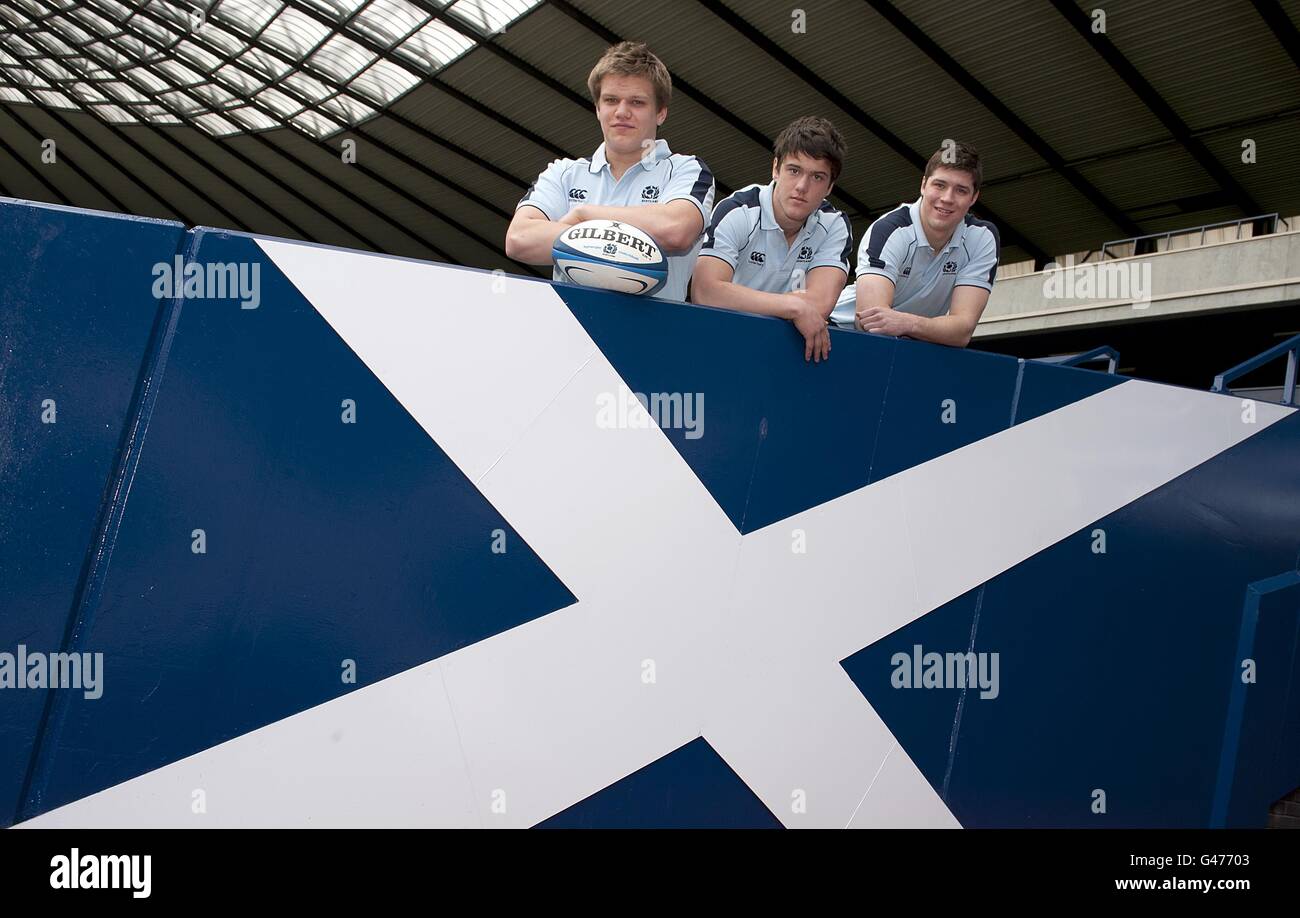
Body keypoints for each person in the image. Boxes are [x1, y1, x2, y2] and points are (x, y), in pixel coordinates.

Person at [504, 41, 714, 302]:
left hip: (655, 334)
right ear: (598, 108)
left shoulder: (687, 170)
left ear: (660, 113)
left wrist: (584, 216)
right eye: (611, 100)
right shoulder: (563, 172)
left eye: (637, 102)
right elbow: (519, 239)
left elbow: (676, 230)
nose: (622, 112)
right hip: (573, 331)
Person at [691, 116, 851, 363]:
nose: (801, 186)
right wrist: (794, 307)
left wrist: (738, 297)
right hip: (716, 343)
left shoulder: (834, 225)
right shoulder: (738, 210)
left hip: (782, 354)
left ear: (830, 186)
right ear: (776, 168)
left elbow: (819, 304)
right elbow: (705, 291)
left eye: (817, 177)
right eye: (794, 170)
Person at [830, 141, 999, 348]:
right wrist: (925, 328)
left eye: (961, 190)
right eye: (940, 185)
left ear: (974, 197)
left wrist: (908, 323)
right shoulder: (889, 230)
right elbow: (870, 323)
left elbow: (962, 331)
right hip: (839, 332)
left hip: (908, 342)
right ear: (923, 185)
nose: (947, 198)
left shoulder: (982, 238)